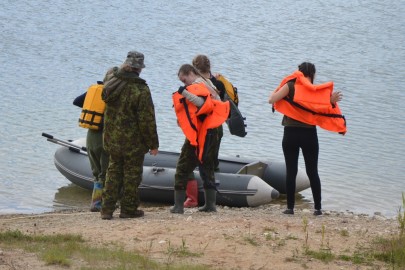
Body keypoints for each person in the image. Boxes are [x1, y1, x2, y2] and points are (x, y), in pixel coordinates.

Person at [268, 62, 346, 216]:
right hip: (309, 135)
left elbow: (272, 100)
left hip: (290, 134)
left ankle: (290, 208)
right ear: (312, 75)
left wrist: (278, 89)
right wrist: (331, 100)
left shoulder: (291, 85)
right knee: (312, 172)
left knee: (291, 171)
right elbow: (323, 107)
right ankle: (317, 208)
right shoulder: (315, 92)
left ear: (299, 72)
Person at [100, 51, 159, 220]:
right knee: (132, 175)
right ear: (139, 69)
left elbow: (111, 73)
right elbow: (147, 120)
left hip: (112, 138)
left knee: (113, 172)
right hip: (132, 142)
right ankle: (128, 209)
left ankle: (106, 209)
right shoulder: (140, 90)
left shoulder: (111, 83)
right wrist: (153, 143)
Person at [170, 64, 230, 214]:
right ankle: (210, 205)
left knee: (182, 167)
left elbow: (203, 104)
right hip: (214, 130)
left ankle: (178, 206)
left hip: (202, 133)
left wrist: (184, 93)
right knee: (207, 165)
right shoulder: (208, 82)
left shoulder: (197, 85)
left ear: (190, 73)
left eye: (185, 80)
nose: (185, 84)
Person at [73, 83, 109, 212]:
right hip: (104, 138)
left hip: (91, 138)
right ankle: (100, 203)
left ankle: (95, 202)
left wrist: (91, 101)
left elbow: (76, 101)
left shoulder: (95, 92)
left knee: (96, 172)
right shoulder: (111, 93)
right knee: (104, 173)